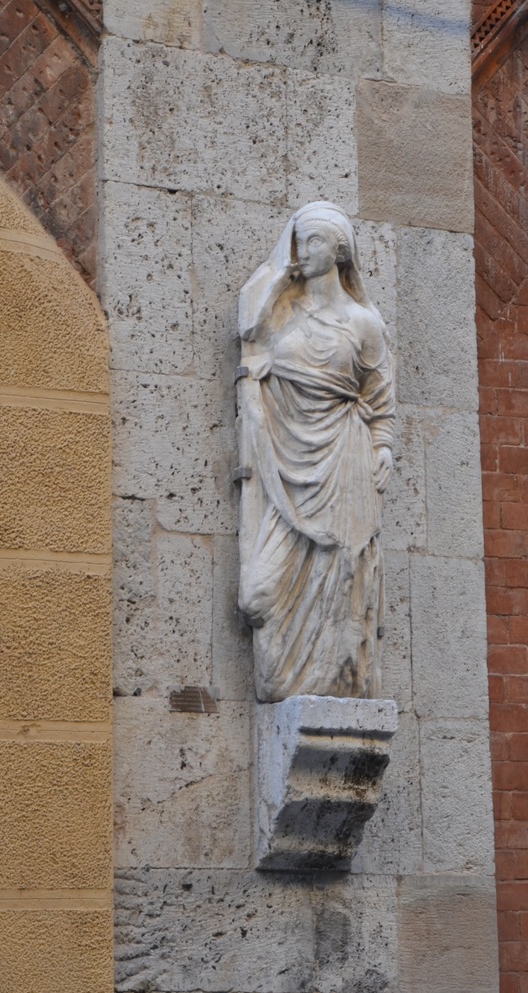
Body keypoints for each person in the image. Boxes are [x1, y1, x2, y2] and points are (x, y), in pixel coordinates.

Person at [235, 202, 395, 702]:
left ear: (340, 251)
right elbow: (249, 332)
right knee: (257, 596)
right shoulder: (283, 311)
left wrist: (383, 445)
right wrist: (278, 281)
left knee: (344, 575)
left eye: (315, 242)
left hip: (346, 461)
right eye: (299, 241)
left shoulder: (364, 323)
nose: (303, 251)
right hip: (285, 468)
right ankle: (284, 678)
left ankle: (342, 679)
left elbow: (379, 395)